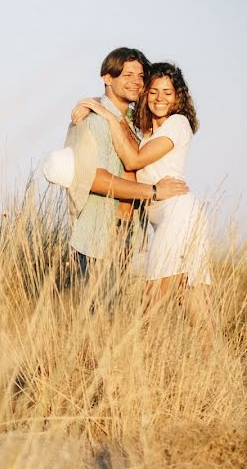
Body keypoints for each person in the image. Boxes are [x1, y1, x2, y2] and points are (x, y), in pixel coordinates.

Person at [77, 62, 213, 327]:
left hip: (178, 212)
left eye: (168, 92)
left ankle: (135, 358)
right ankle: (219, 363)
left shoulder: (178, 123)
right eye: (153, 92)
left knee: (153, 298)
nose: (159, 98)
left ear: (178, 97)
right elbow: (120, 94)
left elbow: (134, 160)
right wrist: (94, 102)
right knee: (193, 294)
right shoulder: (147, 129)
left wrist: (105, 114)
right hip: (168, 216)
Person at [43, 47, 189, 283]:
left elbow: (164, 103)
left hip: (132, 233)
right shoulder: (96, 121)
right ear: (107, 78)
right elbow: (94, 178)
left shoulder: (137, 123)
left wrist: (93, 102)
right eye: (128, 75)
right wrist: (153, 192)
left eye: (141, 76)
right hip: (99, 233)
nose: (136, 82)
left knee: (118, 316)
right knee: (97, 313)